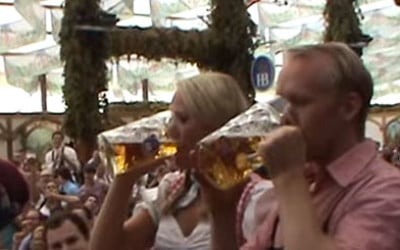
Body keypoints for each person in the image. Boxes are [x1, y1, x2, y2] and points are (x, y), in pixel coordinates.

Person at [202, 42, 400, 250]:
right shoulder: (310, 182)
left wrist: (288, 177)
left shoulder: (385, 190)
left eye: (298, 102)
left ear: (349, 107)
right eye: (281, 103)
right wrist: (222, 212)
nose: (284, 117)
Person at [90, 72, 250, 250]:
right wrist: (126, 176)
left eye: (182, 119)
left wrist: (222, 212)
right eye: (171, 118)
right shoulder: (175, 189)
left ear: (218, 128)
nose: (170, 130)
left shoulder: (254, 197)